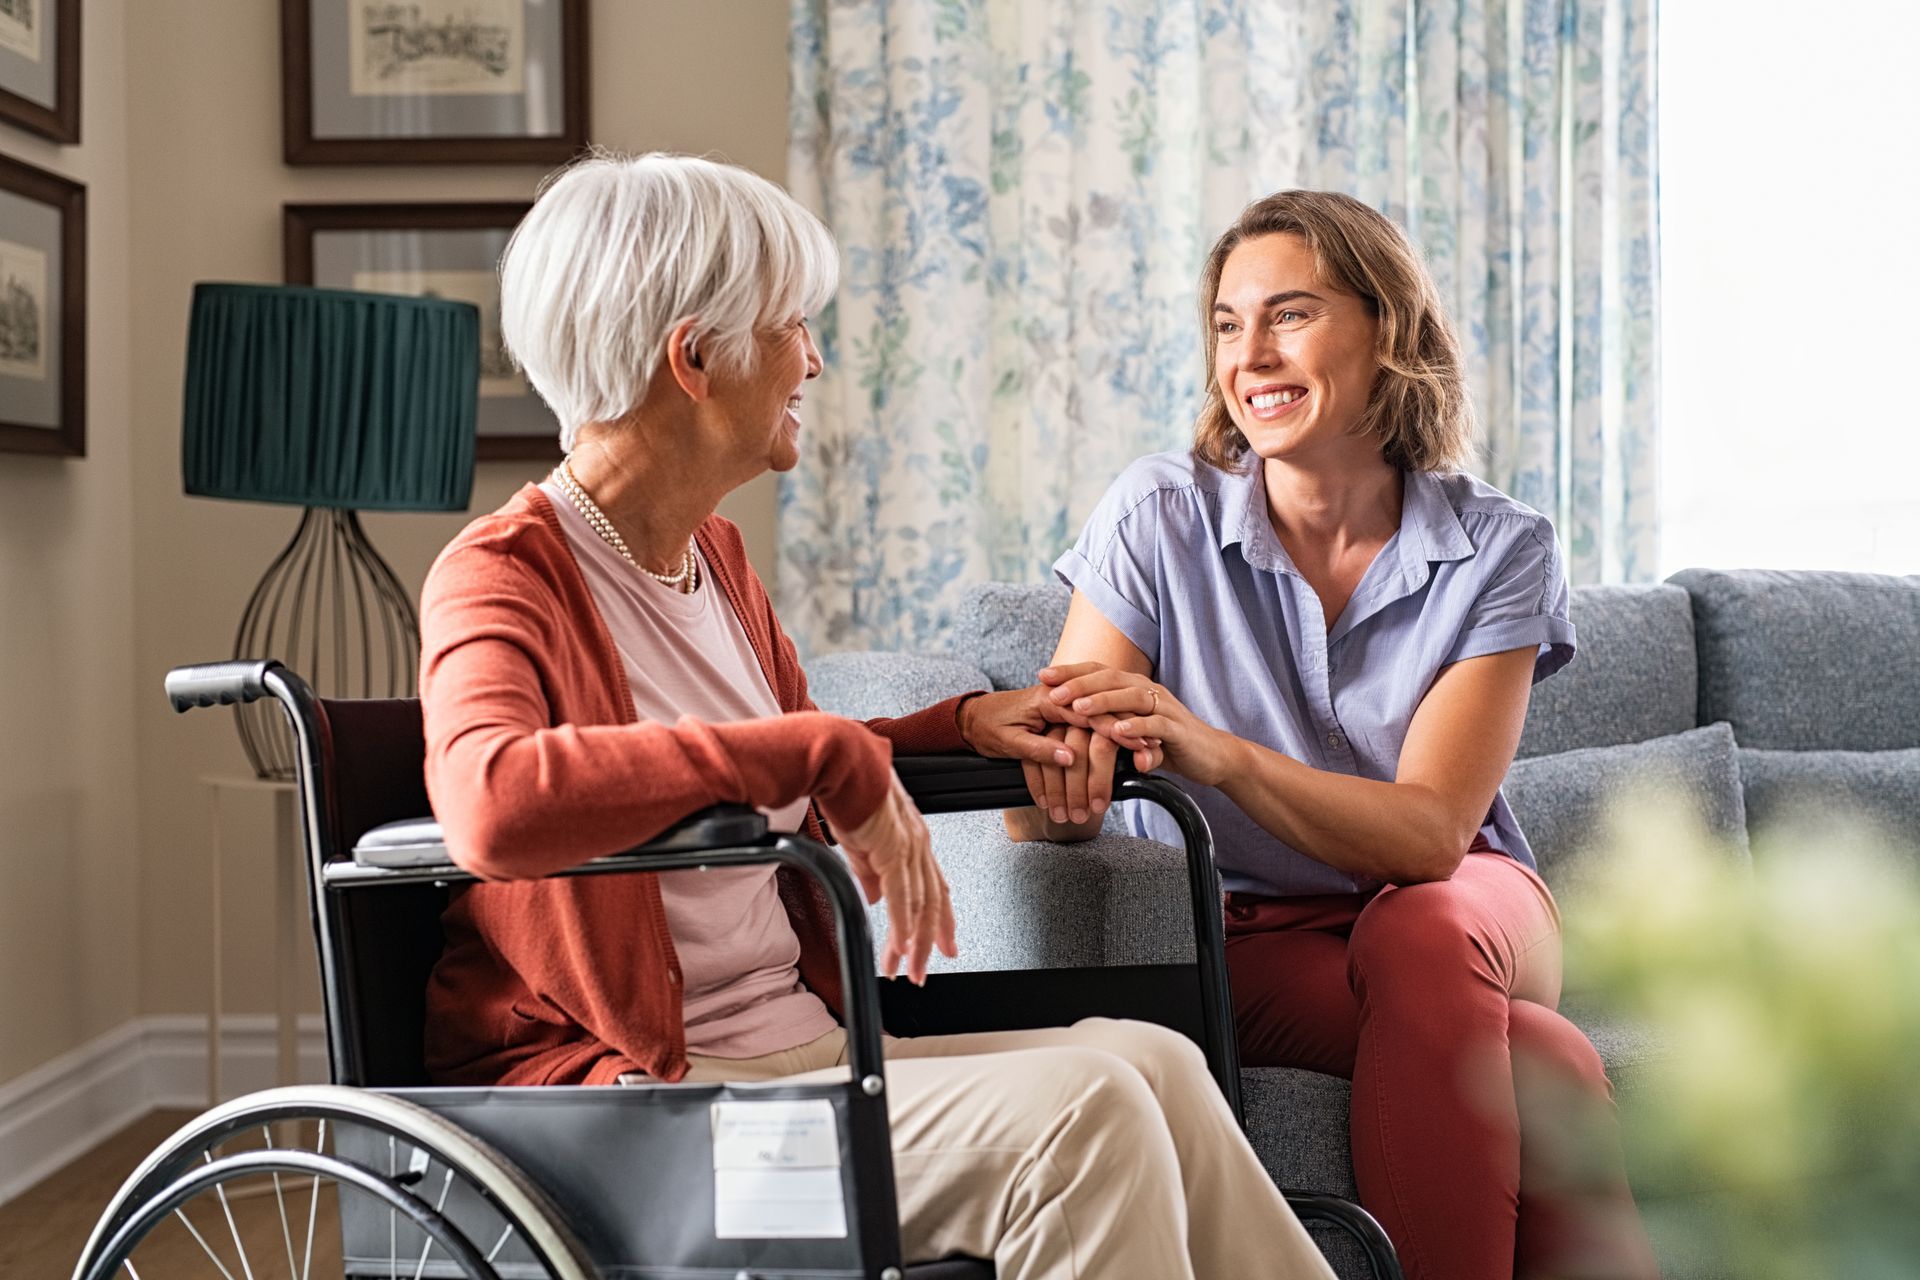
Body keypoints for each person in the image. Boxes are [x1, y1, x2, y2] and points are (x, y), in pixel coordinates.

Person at [417, 151, 1334, 1280]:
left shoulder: (712, 559)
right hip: (647, 1125)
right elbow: (491, 804)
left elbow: (768, 767)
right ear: (694, 358)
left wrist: (959, 725)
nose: (814, 358)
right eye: (792, 325)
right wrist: (823, 745)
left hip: (800, 1059)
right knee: (1086, 1112)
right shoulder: (501, 574)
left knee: (1154, 1061)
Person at [1014, 191, 1660, 1280]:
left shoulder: (1498, 548)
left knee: (1422, 926)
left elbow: (1427, 836)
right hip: (1254, 930)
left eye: (1290, 314)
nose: (1250, 353)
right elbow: (1046, 788)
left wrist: (1213, 749)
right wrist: (1064, 778)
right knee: (1542, 1054)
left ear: (1389, 330)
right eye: (1228, 322)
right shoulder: (1155, 517)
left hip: (1467, 904)